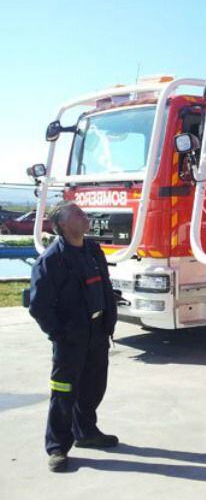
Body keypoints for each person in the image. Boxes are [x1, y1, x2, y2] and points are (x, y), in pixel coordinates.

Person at [29, 201, 119, 472]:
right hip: (71, 338)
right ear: (63, 225)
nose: (85, 217)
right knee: (64, 392)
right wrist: (60, 333)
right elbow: (39, 306)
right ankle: (57, 447)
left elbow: (103, 286)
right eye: (78, 214)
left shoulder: (93, 250)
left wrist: (107, 321)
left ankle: (87, 432)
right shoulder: (51, 260)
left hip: (97, 332)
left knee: (93, 386)